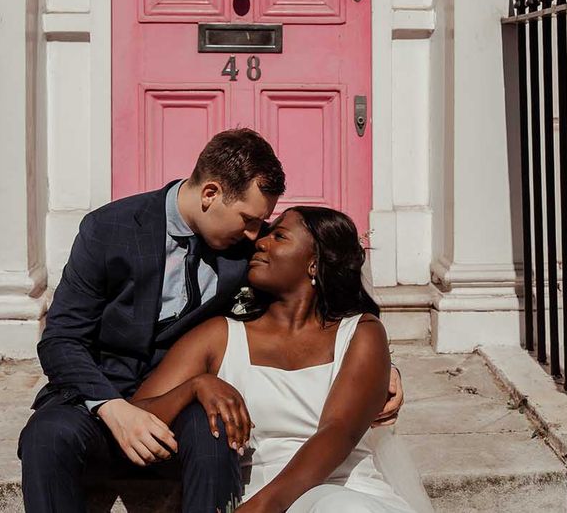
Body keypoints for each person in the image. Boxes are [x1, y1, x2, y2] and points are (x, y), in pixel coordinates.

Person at [18, 129, 405, 512]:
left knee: (215, 433)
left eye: (263, 224)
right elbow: (61, 339)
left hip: (190, 401)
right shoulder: (108, 229)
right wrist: (112, 407)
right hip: (102, 399)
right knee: (46, 436)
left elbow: (321, 286)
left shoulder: (248, 243)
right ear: (210, 194)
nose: (258, 234)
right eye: (249, 219)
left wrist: (379, 367)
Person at [130, 206, 431, 512]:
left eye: (279, 236)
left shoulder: (360, 333)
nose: (261, 242)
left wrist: (263, 508)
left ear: (314, 263)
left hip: (344, 488)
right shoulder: (219, 336)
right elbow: (135, 415)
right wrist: (194, 386)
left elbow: (338, 430)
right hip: (253, 492)